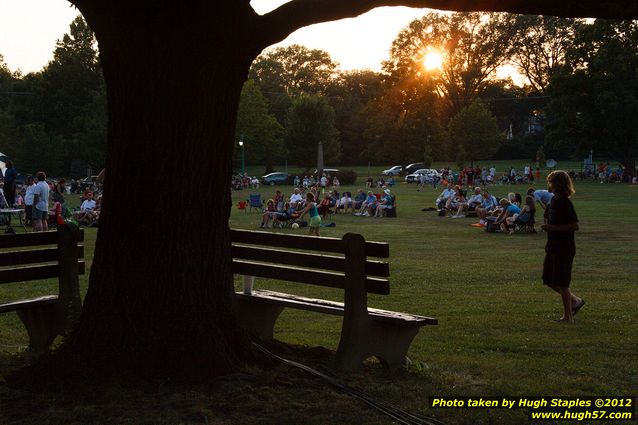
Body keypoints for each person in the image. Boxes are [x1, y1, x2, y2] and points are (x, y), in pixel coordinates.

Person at [541, 170, 584, 323]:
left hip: (564, 247)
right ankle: (576, 301)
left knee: (562, 281)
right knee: (548, 279)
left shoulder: (565, 202)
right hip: (552, 245)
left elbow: (574, 226)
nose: (549, 184)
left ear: (557, 184)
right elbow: (549, 217)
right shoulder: (553, 200)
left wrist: (553, 228)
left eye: (551, 181)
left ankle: (568, 317)